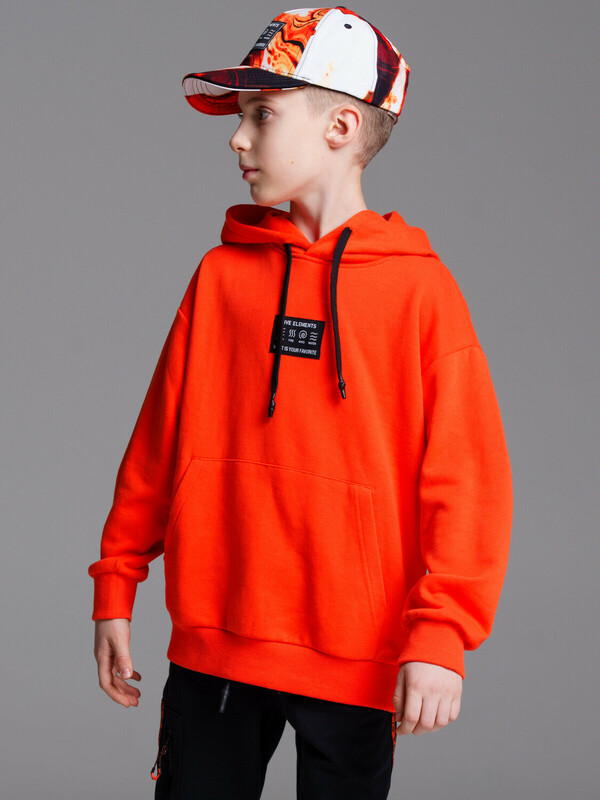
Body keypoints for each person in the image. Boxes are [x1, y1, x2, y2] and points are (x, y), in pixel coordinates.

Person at [89, 7, 513, 799]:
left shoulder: (421, 293)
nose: (236, 138)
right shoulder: (220, 278)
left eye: (262, 115)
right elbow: (156, 446)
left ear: (340, 126)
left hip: (356, 656)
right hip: (215, 647)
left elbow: (469, 483)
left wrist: (442, 635)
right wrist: (117, 582)